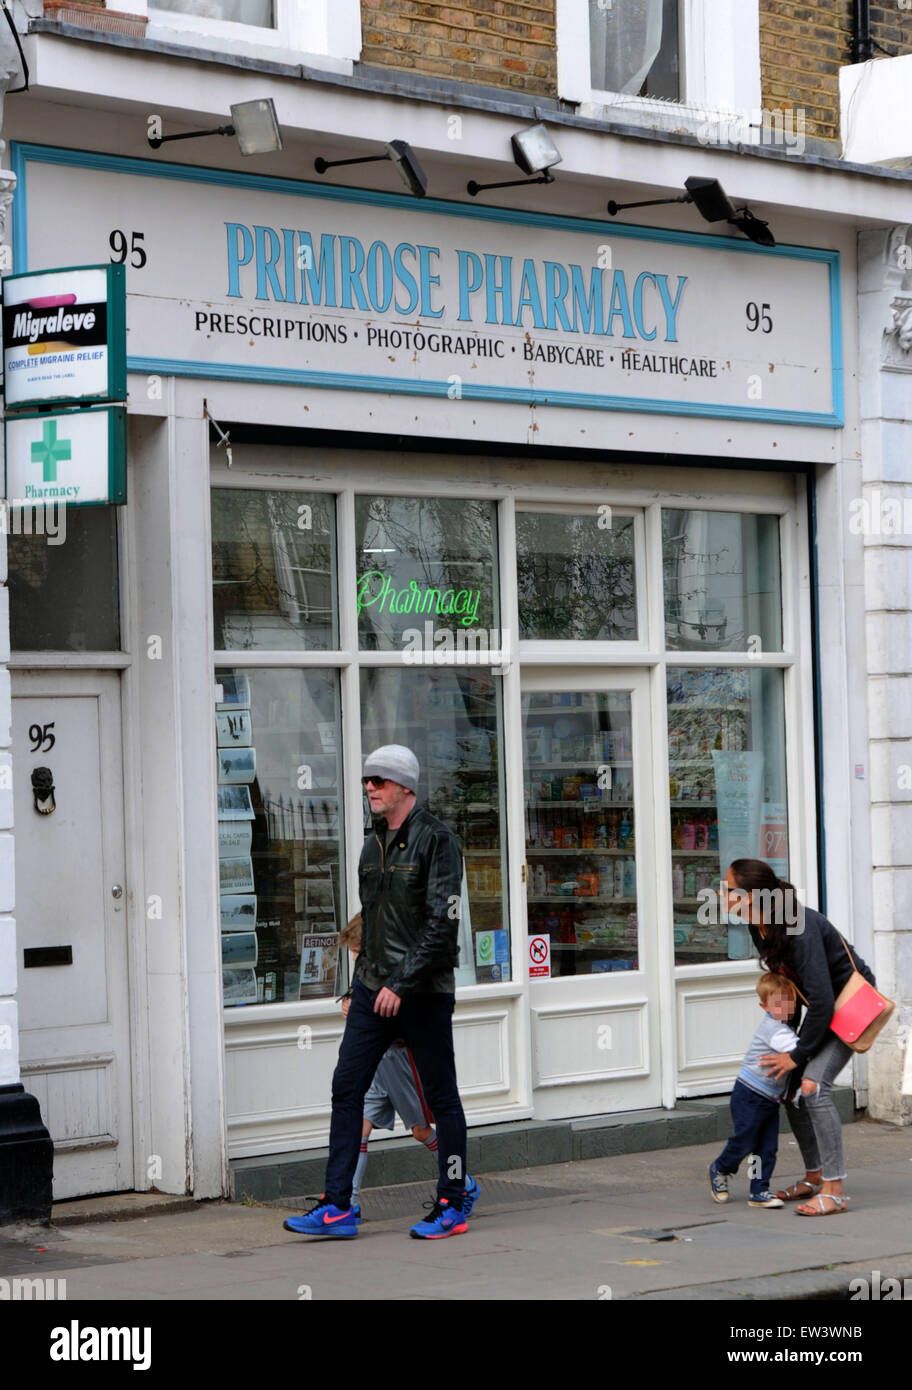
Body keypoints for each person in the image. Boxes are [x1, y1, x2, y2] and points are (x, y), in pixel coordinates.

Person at [283, 744, 478, 1239]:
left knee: (441, 1100)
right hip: (373, 990)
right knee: (346, 1087)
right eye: (367, 779)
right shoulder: (372, 846)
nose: (369, 787)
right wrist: (357, 987)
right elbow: (368, 924)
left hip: (424, 992)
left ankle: (452, 1202)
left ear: (405, 788)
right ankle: (338, 1207)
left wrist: (401, 983)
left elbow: (441, 927)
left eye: (379, 780)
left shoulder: (438, 842)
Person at [721, 858, 877, 1217]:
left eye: (728, 889)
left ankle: (835, 1190)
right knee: (790, 1090)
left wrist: (798, 1054)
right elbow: (789, 990)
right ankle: (814, 1176)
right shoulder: (759, 925)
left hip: (852, 1006)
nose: (720, 895)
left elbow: (822, 1001)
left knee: (812, 1087)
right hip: (823, 1009)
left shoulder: (799, 927)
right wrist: (783, 1039)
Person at [333, 913, 479, 1222]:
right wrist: (349, 1000)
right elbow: (361, 997)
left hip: (399, 1058)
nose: (357, 959)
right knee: (360, 1126)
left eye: (359, 952)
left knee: (420, 1130)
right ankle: (350, 1202)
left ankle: (463, 1183)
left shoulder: (403, 969)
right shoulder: (368, 971)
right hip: (376, 1061)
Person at [708, 973, 800, 1208]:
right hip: (749, 1094)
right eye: (778, 1003)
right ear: (764, 1006)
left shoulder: (783, 1026)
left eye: (789, 1001)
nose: (785, 1007)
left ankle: (759, 1190)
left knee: (766, 1147)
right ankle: (721, 1167)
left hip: (769, 1098)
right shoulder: (773, 1029)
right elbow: (799, 1051)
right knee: (746, 1139)